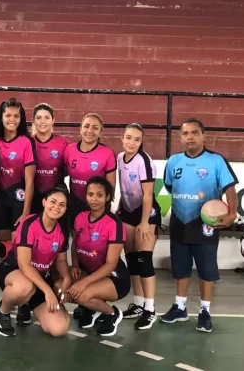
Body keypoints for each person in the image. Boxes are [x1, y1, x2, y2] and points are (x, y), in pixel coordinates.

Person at [161, 118, 238, 333]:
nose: (190, 137)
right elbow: (169, 187)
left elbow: (230, 189)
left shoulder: (216, 161)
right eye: (186, 134)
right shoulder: (174, 161)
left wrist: (232, 213)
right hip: (179, 222)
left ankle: (205, 311)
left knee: (206, 270)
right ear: (181, 137)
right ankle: (180, 307)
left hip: (205, 225)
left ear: (204, 135)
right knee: (180, 269)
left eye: (195, 133)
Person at [0, 185, 72, 338]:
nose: (56, 207)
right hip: (15, 271)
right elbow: (24, 264)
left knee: (59, 329)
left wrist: (66, 278)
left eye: (62, 205)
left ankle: (27, 304)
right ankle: (3, 312)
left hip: (39, 280)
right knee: (24, 287)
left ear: (65, 209)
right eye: (53, 201)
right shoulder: (29, 224)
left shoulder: (62, 230)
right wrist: (48, 291)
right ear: (44, 202)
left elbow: (61, 260)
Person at [64, 112, 117, 320]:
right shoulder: (69, 151)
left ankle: (94, 298)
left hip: (97, 209)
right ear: (80, 128)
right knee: (79, 248)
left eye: (95, 127)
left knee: (96, 252)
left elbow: (110, 187)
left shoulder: (107, 153)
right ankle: (85, 303)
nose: (90, 131)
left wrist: (103, 210)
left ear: (100, 132)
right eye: (86, 126)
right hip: (75, 207)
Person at [0, 98, 37, 321]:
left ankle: (24, 302)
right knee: (4, 251)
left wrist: (26, 212)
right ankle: (9, 294)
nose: (11, 119)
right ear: (1, 116)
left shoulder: (27, 142)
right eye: (7, 115)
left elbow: (30, 182)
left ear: (21, 119)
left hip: (19, 201)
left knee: (20, 252)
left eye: (16, 116)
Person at [69, 176, 130, 337]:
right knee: (61, 286)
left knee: (80, 295)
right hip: (88, 273)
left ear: (107, 197)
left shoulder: (114, 224)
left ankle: (111, 313)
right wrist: (75, 265)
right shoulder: (80, 217)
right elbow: (74, 245)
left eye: (99, 195)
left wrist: (83, 283)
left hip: (114, 278)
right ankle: (94, 309)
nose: (94, 199)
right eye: (90, 194)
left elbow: (111, 264)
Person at [117, 123, 161, 330]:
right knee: (132, 259)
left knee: (145, 260)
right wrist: (120, 207)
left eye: (136, 139)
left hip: (146, 212)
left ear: (141, 142)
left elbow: (148, 195)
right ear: (122, 138)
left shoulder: (144, 160)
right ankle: (138, 303)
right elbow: (124, 185)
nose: (131, 142)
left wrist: (144, 222)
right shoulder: (119, 158)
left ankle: (150, 309)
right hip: (127, 210)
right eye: (128, 137)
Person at [31, 103, 69, 214]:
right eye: (39, 118)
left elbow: (68, 170)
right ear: (33, 120)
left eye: (47, 117)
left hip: (56, 195)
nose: (42, 121)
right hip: (32, 196)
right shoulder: (27, 142)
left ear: (53, 120)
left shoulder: (63, 143)